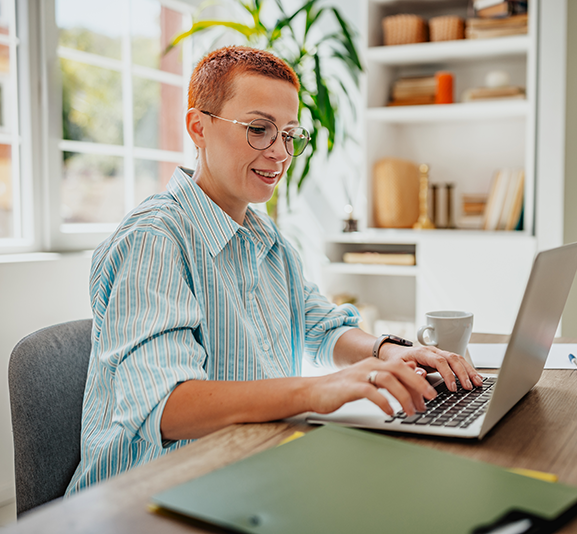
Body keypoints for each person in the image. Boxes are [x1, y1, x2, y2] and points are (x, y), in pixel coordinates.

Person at [66, 46, 481, 494]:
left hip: (249, 470)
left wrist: (386, 352)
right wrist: (317, 390)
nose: (280, 153)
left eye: (289, 135)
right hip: (148, 495)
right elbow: (167, 408)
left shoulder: (267, 239)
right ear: (198, 128)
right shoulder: (154, 240)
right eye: (259, 129)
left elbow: (321, 328)